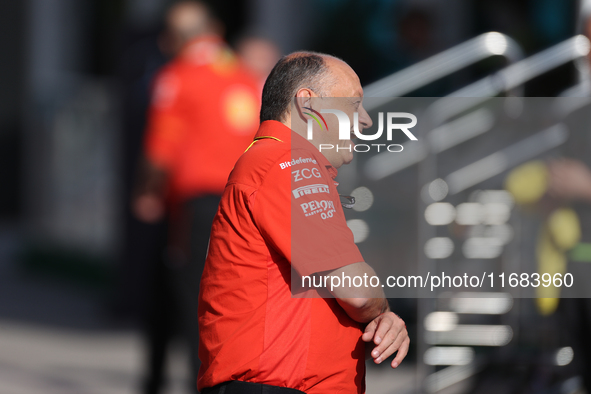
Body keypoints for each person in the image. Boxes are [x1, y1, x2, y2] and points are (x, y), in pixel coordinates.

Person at [198, 52, 409, 394]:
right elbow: (356, 292)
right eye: (354, 104)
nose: (366, 120)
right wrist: (382, 308)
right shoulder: (288, 162)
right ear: (308, 105)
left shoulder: (275, 162)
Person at [132, 1, 261, 392]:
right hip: (242, 203)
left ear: (174, 38)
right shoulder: (243, 75)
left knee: (192, 301)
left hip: (196, 207)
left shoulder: (177, 76)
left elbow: (159, 152)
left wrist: (146, 192)